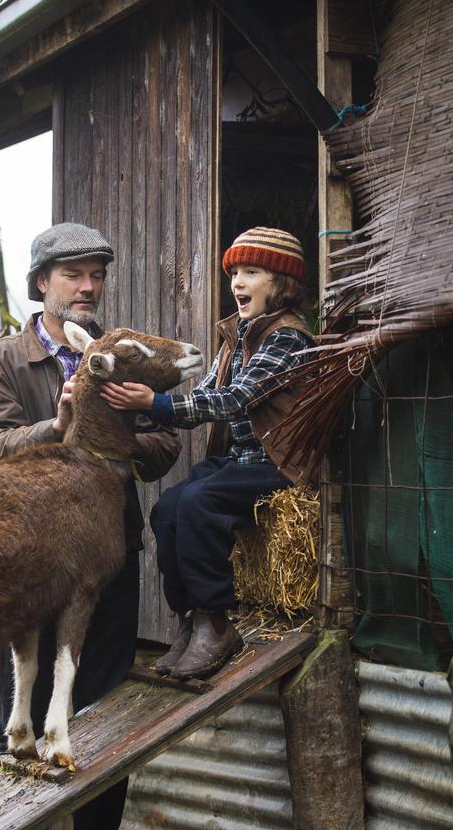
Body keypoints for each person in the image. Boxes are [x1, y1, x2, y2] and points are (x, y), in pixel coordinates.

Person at [0, 222, 181, 830]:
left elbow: (164, 446)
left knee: (102, 714)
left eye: (95, 275)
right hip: (25, 571)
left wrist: (124, 421)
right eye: (72, 276)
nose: (87, 287)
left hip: (106, 561)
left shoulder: (121, 352)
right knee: (20, 715)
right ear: (41, 285)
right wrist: (57, 426)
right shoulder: (2, 360)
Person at [102, 226, 314, 679]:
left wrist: (157, 403)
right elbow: (208, 394)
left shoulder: (287, 338)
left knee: (199, 503)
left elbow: (235, 399)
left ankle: (217, 623)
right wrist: (143, 409)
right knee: (169, 507)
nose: (237, 282)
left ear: (282, 282)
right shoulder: (238, 335)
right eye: (234, 272)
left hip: (276, 461)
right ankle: (191, 618)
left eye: (251, 272)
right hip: (238, 461)